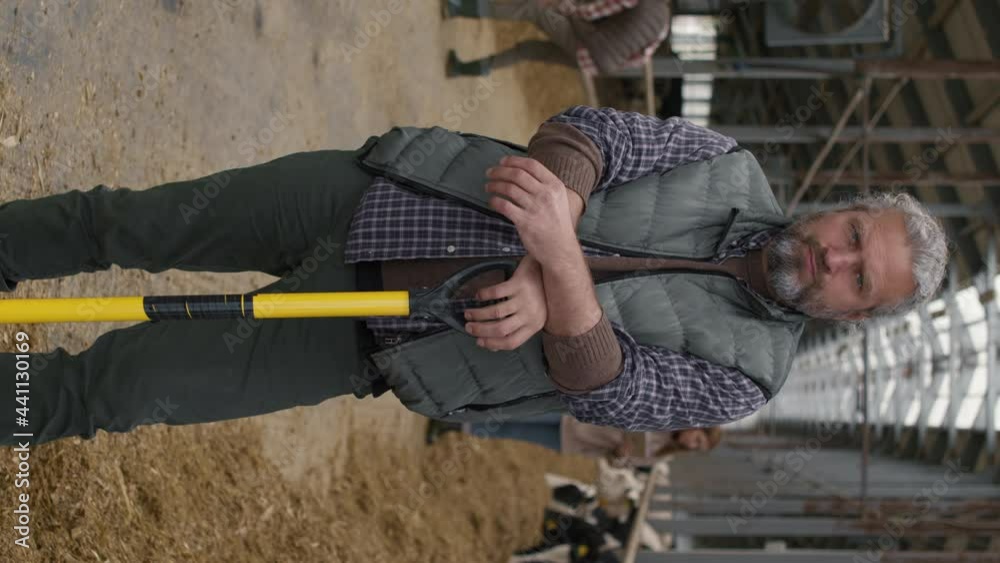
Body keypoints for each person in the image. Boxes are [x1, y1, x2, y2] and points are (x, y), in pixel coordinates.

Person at [0, 105, 949, 446]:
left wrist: (561, 267)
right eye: (854, 232)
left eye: (862, 278)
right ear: (843, 207)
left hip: (377, 336)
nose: (837, 256)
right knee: (123, 220)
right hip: (377, 196)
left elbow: (606, 383)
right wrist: (560, 229)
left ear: (853, 311)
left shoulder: (750, 374)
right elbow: (592, 132)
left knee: (117, 390)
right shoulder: (727, 163)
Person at [444, 0, 671, 78]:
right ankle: (463, 68)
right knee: (530, 50)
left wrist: (563, 7)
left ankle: (461, 7)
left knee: (534, 9)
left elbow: (592, 12)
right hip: (597, 66)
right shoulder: (663, 26)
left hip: (587, 46)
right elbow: (640, 59)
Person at [463, 414, 721, 467]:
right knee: (520, 414)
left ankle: (458, 429)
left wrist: (621, 454)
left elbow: (618, 464)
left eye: (697, 448)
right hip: (579, 413)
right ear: (697, 426)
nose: (691, 445)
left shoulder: (660, 454)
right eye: (697, 439)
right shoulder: (666, 416)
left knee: (514, 433)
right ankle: (463, 414)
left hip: (578, 442)